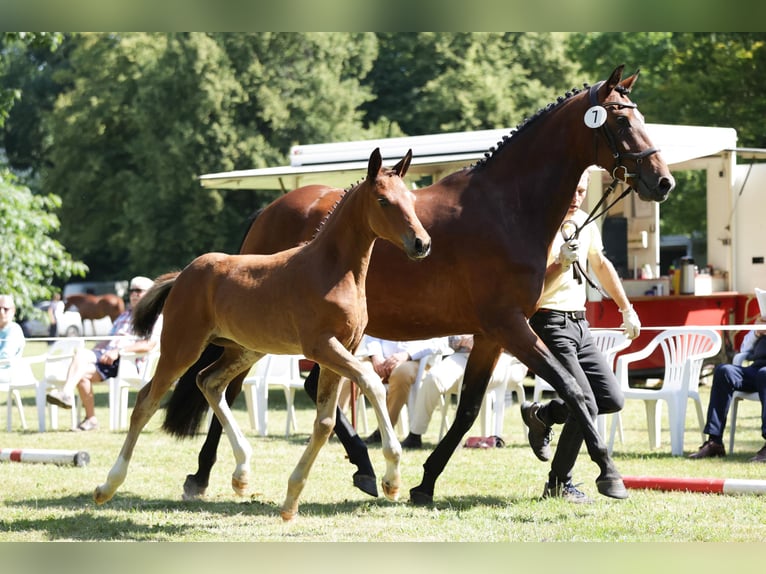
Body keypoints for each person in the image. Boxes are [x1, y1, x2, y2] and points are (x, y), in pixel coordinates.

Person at [520, 168, 641, 503]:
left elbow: (600, 263)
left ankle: (543, 415)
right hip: (549, 322)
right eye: (572, 190)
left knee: (610, 399)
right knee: (584, 401)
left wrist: (626, 307)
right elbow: (529, 290)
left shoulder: (585, 220)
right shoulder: (541, 223)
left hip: (580, 325)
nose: (577, 197)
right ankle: (559, 483)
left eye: (582, 191)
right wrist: (559, 264)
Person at [46, 276, 159, 431]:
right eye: (132, 291)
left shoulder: (154, 317)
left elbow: (149, 344)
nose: (134, 294)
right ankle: (90, 418)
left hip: (127, 361)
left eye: (138, 291)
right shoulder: (124, 315)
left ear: (150, 293)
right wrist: (96, 350)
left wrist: (119, 351)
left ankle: (67, 395)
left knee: (81, 365)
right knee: (81, 364)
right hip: (106, 356)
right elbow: (108, 340)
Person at [688, 316, 766, 462]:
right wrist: (757, 332)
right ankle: (715, 442)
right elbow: (744, 349)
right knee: (724, 371)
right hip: (756, 369)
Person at [359, 335, 450, 445]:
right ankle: (336, 425)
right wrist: (376, 356)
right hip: (378, 361)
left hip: (416, 362)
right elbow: (372, 334)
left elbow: (440, 343)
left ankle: (384, 430)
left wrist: (407, 355)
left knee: (401, 373)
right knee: (354, 372)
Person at [400, 335, 473, 449]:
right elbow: (449, 339)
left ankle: (455, 438)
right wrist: (460, 339)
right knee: (433, 378)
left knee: (469, 382)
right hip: (461, 356)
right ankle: (415, 435)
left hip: (493, 357)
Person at [0, 294, 26, 368]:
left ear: (13, 311)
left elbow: (5, 356)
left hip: (7, 374)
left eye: (6, 309)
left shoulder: (14, 330)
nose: (1, 312)